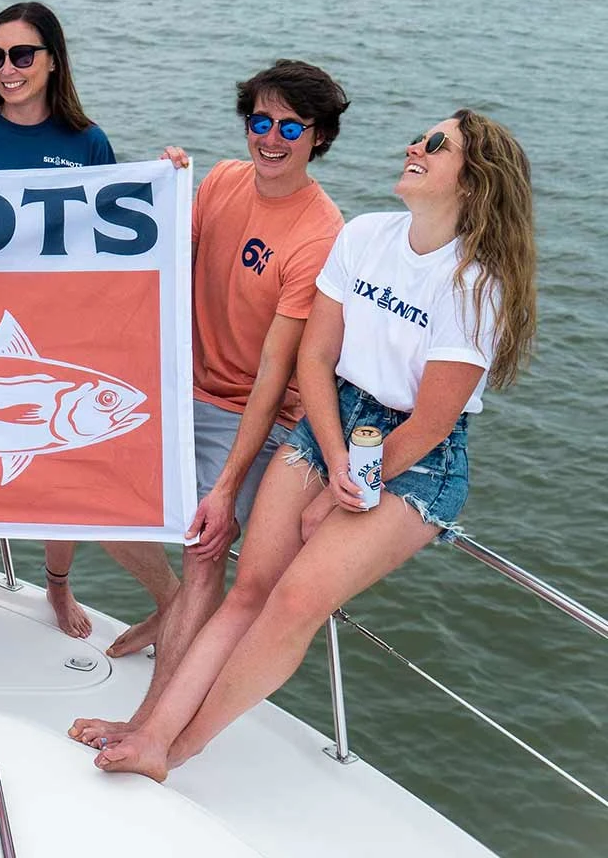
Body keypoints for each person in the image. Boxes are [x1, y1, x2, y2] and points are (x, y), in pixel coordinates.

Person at [80, 109, 536, 781]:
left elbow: (433, 423)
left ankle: (175, 749)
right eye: (419, 135)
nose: (416, 145)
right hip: (332, 420)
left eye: (438, 145)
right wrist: (330, 458)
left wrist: (342, 487)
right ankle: (150, 729)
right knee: (247, 591)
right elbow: (316, 358)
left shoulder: (474, 287)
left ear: (474, 180)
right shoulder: (365, 237)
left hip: (412, 458)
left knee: (293, 602)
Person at [62, 61, 349, 730]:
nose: (270, 139)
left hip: (259, 414)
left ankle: (148, 722)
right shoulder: (220, 180)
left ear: (318, 137)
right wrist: (159, 187)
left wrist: (224, 486)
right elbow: (158, 258)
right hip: (181, 390)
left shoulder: (321, 235)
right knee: (81, 495)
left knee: (203, 540)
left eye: (289, 127)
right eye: (259, 121)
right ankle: (170, 604)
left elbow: (277, 373)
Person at [0, 1, 180, 633]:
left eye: (21, 55)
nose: (7, 69)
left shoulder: (85, 141)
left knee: (57, 461)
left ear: (51, 61)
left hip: (58, 330)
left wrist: (166, 178)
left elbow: (121, 231)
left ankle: (57, 587)